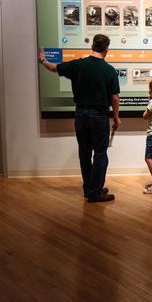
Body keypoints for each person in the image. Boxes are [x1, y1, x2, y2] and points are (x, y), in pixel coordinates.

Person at [38, 34, 120, 202]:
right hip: (99, 116)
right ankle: (95, 191)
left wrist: (42, 60)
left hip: (81, 115)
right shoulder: (109, 71)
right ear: (107, 50)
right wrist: (116, 118)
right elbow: (115, 98)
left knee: (84, 153)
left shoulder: (78, 64)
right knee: (100, 153)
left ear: (92, 47)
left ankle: (89, 188)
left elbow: (54, 68)